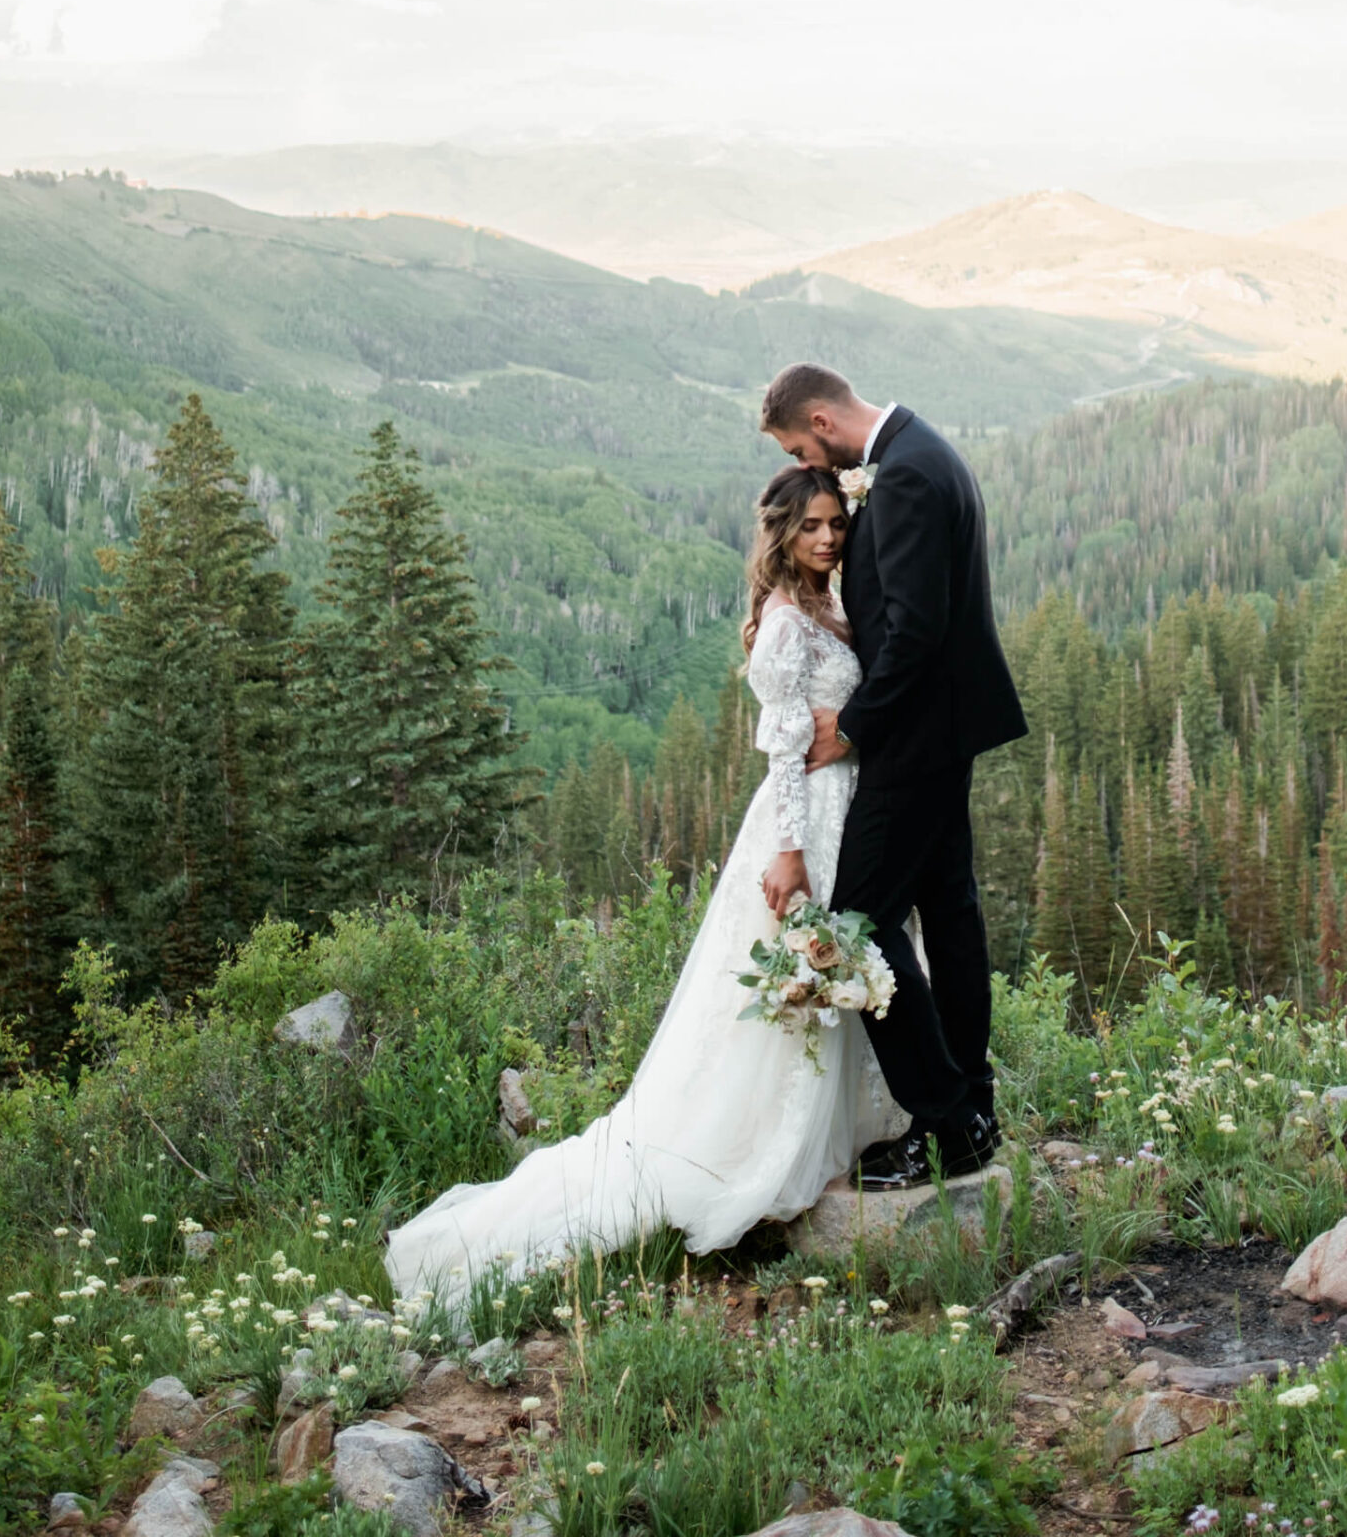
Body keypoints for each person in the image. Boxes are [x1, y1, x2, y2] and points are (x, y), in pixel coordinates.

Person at [383, 462, 906, 1314]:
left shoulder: (828, 607)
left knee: (837, 974)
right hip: (802, 821)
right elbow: (779, 749)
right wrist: (789, 854)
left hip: (846, 808)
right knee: (799, 981)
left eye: (834, 525)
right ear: (779, 533)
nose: (825, 538)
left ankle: (838, 1138)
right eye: (809, 526)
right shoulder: (782, 624)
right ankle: (758, 1150)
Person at [760, 364, 1028, 1188]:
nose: (817, 464)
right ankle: (971, 1108)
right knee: (950, 915)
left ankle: (948, 1123)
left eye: (805, 447)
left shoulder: (904, 473)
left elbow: (913, 630)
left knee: (856, 924)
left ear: (821, 419)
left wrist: (853, 728)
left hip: (910, 741)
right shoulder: (921, 449)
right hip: (942, 734)